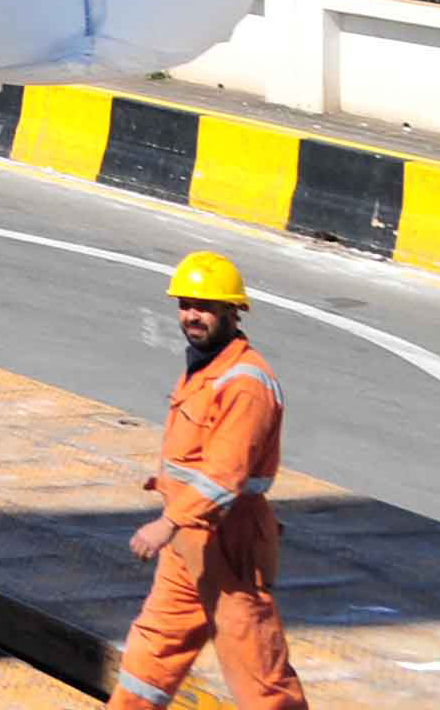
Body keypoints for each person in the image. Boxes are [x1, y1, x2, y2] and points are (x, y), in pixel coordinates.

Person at [118, 251, 312, 710]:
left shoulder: (245, 383)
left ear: (233, 311)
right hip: (191, 541)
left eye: (204, 307)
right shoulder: (208, 368)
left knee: (256, 667)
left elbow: (223, 473)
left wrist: (166, 524)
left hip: (229, 539)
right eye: (185, 304)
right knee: (154, 648)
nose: (191, 316)